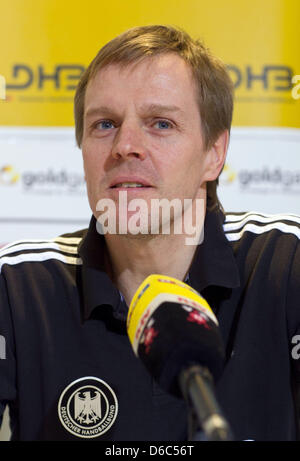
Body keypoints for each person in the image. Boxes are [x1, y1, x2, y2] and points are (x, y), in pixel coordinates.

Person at [0, 25, 299, 441]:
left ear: (214, 154)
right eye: (104, 124)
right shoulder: (16, 285)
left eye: (160, 124)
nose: (125, 146)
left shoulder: (285, 263)